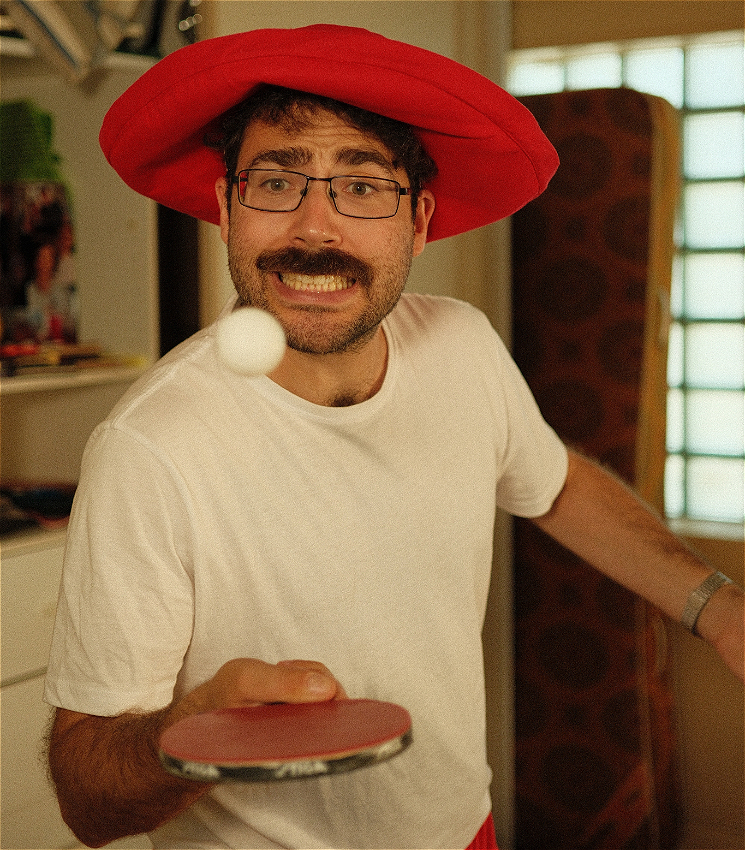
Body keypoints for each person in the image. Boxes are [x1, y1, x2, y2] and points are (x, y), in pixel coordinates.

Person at [44, 24, 743, 850]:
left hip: (463, 831)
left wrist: (716, 607)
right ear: (226, 209)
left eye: (362, 186)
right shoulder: (150, 448)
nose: (315, 227)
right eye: (277, 181)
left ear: (418, 221)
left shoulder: (461, 346)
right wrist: (190, 732)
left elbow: (554, 485)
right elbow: (88, 803)